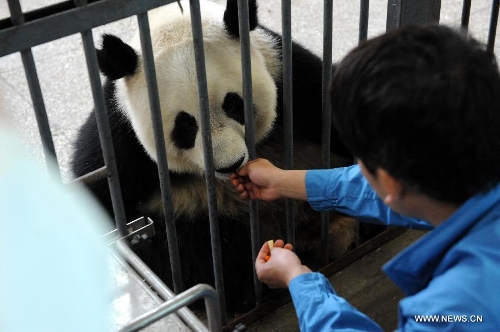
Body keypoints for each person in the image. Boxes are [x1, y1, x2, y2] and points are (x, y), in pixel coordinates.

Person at [230, 25, 500, 331]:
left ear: (392, 182)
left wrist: (299, 280)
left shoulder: (453, 311)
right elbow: (403, 192)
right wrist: (283, 181)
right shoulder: (471, 170)